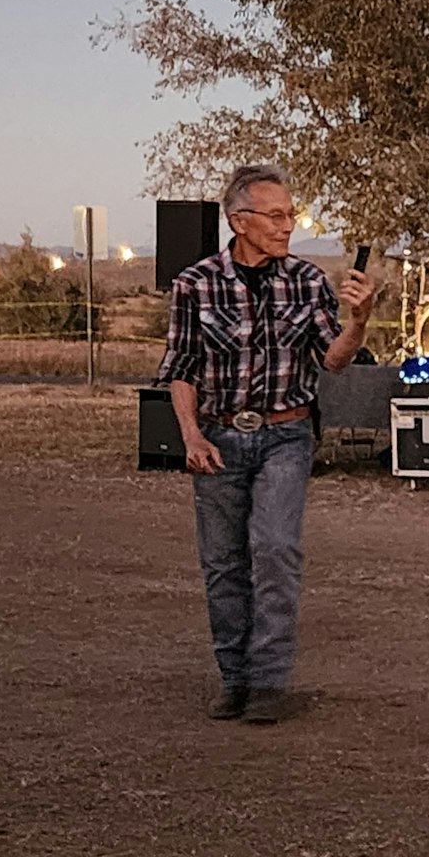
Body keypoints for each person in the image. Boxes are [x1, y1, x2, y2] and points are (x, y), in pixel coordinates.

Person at [155, 163, 377, 725]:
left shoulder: (306, 281)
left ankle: (269, 681)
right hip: (218, 435)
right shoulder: (195, 284)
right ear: (239, 221)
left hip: (286, 434)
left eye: (290, 215)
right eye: (275, 216)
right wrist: (191, 435)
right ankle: (233, 678)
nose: (286, 226)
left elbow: (334, 358)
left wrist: (359, 321)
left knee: (276, 551)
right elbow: (180, 367)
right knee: (223, 563)